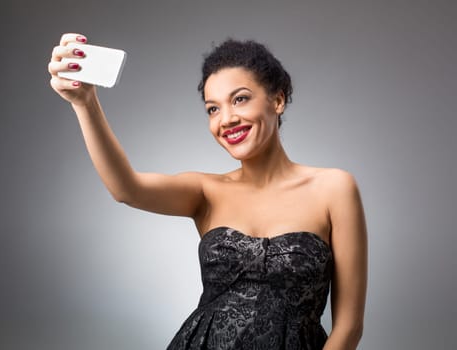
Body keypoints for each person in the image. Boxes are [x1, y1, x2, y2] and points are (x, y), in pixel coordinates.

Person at [48, 33, 367, 350]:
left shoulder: (334, 188)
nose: (226, 119)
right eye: (213, 109)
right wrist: (85, 103)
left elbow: (349, 326)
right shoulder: (206, 191)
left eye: (240, 99)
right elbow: (126, 188)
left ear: (278, 100)